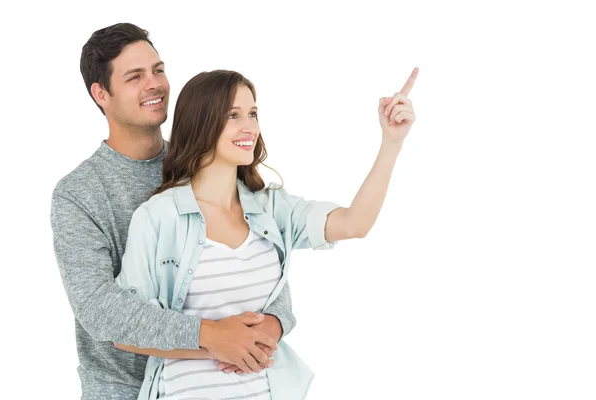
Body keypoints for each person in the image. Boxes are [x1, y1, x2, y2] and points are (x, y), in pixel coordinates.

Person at [115, 67, 418, 400]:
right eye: (233, 115)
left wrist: (391, 143)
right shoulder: (158, 216)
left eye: (253, 113)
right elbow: (126, 330)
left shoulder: (271, 208)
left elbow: (354, 223)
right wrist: (217, 345)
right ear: (201, 122)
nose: (251, 127)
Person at [50, 23, 295, 400]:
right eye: (135, 76)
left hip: (232, 385)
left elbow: (263, 261)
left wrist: (273, 325)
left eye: (158, 70)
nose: (156, 84)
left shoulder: (208, 160)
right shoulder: (79, 194)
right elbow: (99, 308)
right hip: (124, 391)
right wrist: (210, 337)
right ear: (101, 94)